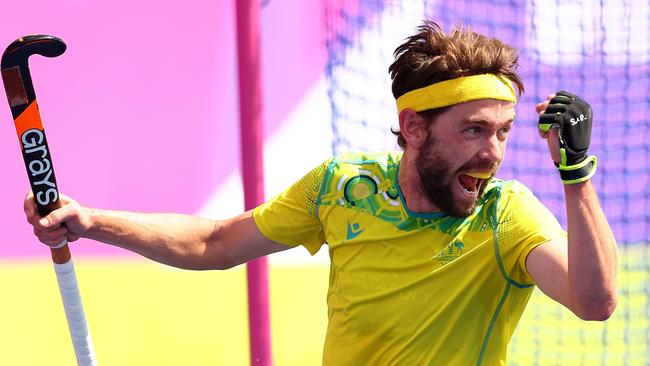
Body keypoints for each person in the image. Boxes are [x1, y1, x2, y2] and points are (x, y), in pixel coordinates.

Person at [24, 21, 617, 365]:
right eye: (472, 130)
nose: (492, 152)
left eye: (503, 132)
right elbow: (213, 242)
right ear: (413, 128)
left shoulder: (504, 214)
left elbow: (594, 301)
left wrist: (577, 176)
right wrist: (89, 220)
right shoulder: (345, 188)